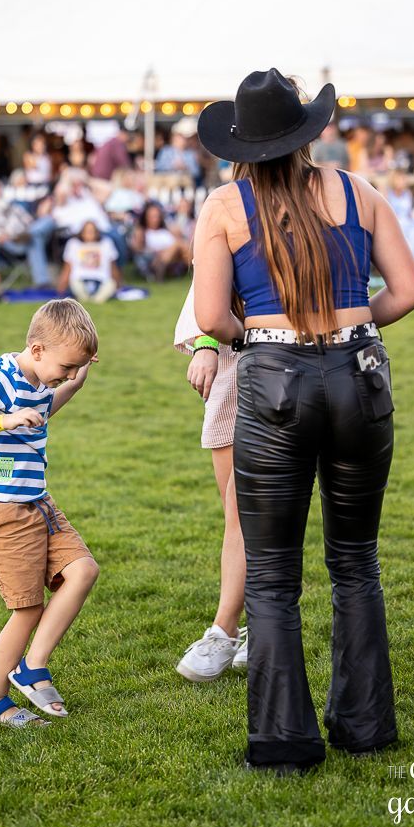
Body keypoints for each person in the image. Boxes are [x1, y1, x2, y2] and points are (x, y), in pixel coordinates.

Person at [194, 68, 414, 773]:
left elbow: (209, 318)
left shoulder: (223, 207)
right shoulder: (359, 192)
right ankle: (365, 727)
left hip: (273, 384)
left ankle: (285, 743)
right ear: (307, 132)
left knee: (270, 577)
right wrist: (350, 324)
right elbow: (410, 291)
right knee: (356, 563)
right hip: (362, 377)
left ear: (243, 143)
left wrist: (258, 336)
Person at [0, 299, 100, 728]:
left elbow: (48, 406)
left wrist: (77, 379)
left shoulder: (40, 379)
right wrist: (5, 420)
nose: (66, 376)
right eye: (66, 366)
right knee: (27, 609)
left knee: (83, 570)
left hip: (40, 505)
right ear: (36, 350)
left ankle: (32, 666)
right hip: (4, 514)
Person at [173, 284, 247, 680]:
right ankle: (255, 626)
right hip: (231, 365)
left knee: (244, 514)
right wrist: (204, 344)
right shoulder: (224, 221)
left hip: (283, 362)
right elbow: (208, 282)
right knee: (236, 519)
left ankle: (225, 629)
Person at [57, 220, 119, 303]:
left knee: (110, 285)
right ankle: (86, 299)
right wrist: (61, 289)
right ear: (82, 232)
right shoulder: (73, 244)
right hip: (80, 279)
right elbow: (67, 268)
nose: (90, 234)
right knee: (76, 286)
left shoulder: (106, 243)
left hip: (101, 280)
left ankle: (97, 300)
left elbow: (113, 266)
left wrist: (118, 286)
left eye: (92, 231)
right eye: (87, 231)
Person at [131, 202, 189, 281]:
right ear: (145, 217)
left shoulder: (165, 230)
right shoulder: (143, 232)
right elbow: (136, 249)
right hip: (155, 258)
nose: (155, 219)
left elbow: (180, 235)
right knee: (178, 244)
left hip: (175, 255)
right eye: (152, 216)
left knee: (182, 244)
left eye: (157, 216)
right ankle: (197, 268)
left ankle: (163, 265)